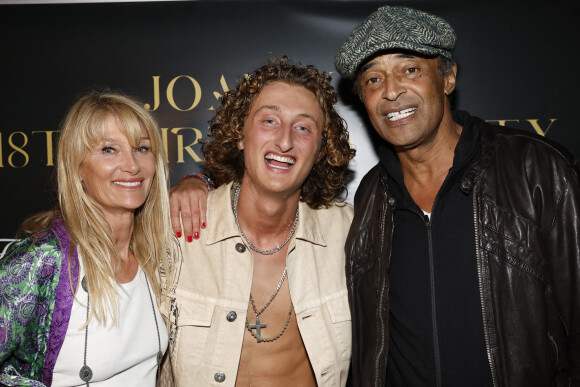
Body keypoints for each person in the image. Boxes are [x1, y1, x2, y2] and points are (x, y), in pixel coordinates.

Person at [333, 5, 580, 387]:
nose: (392, 91)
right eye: (373, 79)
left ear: (447, 78)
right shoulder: (370, 196)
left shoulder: (536, 168)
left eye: (410, 70)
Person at [160, 57, 355, 386]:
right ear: (240, 134)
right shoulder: (177, 232)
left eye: (304, 127)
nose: (285, 140)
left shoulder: (350, 234)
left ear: (321, 150)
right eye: (269, 121)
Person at [0, 91, 172, 386]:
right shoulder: (42, 259)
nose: (132, 165)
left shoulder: (157, 255)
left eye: (142, 148)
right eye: (109, 149)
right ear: (78, 166)